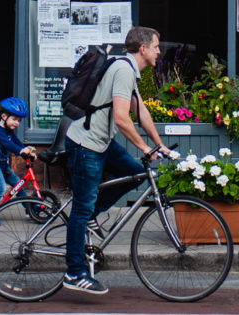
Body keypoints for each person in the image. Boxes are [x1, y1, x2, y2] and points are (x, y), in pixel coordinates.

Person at [63, 26, 171, 295]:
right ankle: (74, 272)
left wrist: (159, 144)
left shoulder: (128, 70)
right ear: (143, 49)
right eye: (156, 47)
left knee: (135, 173)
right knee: (81, 209)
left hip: (100, 143)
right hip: (86, 145)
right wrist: (146, 148)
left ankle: (91, 214)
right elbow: (122, 118)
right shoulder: (123, 69)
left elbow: (140, 110)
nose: (159, 52)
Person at [0, 96, 36, 227]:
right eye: (14, 119)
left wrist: (25, 149)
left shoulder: (9, 130)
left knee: (19, 185)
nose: (17, 123)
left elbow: (16, 142)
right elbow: (7, 144)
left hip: (2, 165)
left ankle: (29, 209)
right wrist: (20, 151)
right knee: (1, 187)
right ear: (4, 116)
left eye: (19, 120)